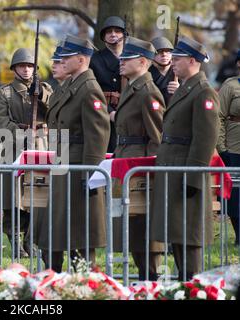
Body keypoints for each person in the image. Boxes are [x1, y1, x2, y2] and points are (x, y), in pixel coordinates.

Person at [35, 34, 110, 272]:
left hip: (78, 167)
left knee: (81, 232)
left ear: (81, 59)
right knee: (58, 227)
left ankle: (84, 283)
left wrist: (89, 175)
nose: (63, 61)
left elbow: (97, 136)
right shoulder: (72, 85)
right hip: (64, 162)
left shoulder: (88, 89)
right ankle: (54, 277)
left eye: (68, 57)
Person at [151, 36, 219, 281]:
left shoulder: (203, 92)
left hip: (186, 171)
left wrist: (193, 177)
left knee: (189, 234)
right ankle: (184, 283)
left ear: (192, 61)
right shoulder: (186, 89)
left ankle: (194, 284)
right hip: (174, 168)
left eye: (177, 59)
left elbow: (205, 139)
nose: (173, 63)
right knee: (177, 232)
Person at [0, 48, 52, 258]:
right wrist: (22, 132)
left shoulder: (45, 89)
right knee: (14, 198)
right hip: (14, 150)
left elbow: (55, 108)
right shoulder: (4, 93)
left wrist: (39, 94)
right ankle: (15, 240)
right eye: (22, 66)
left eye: (30, 66)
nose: (26, 70)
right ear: (14, 68)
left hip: (40, 148)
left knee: (38, 195)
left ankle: (31, 239)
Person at [112, 36, 165, 281]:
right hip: (128, 161)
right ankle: (143, 277)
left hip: (141, 168)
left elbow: (156, 136)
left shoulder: (147, 92)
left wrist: (152, 173)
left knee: (144, 226)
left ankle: (151, 278)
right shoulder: (133, 87)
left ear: (143, 62)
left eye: (127, 58)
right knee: (132, 227)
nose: (121, 61)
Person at [90, 16, 127, 153]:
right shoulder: (95, 60)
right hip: (103, 115)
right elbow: (92, 93)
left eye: (117, 31)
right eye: (109, 32)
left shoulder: (133, 59)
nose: (113, 34)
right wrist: (110, 112)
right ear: (103, 36)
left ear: (124, 35)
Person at [216, 49, 240, 246]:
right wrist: (222, 147)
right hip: (234, 147)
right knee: (235, 195)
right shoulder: (230, 86)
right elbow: (219, 117)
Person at [149, 37, 180, 105]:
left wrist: (180, 91)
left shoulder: (180, 73)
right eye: (159, 52)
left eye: (168, 51)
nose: (164, 54)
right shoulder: (147, 74)